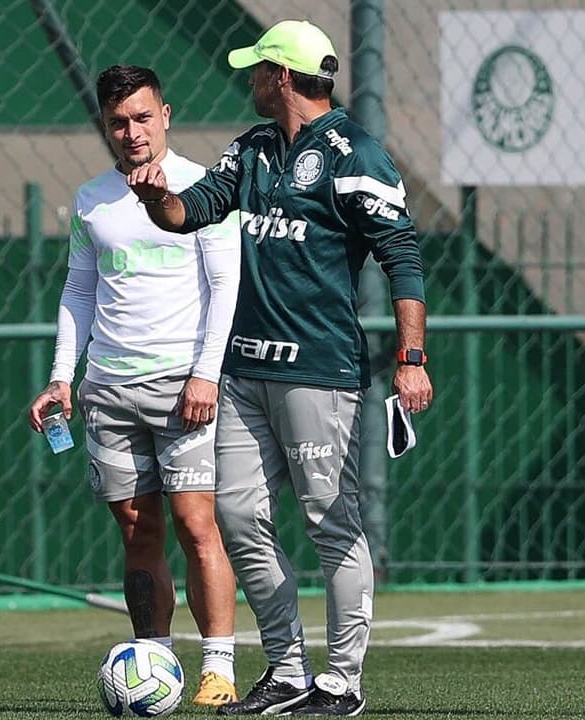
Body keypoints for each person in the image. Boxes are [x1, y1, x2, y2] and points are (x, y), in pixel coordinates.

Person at [126, 19, 434, 717]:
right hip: (243, 372)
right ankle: (288, 669)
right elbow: (193, 210)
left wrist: (412, 356)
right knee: (236, 516)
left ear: (284, 77)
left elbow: (403, 258)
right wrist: (156, 200)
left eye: (258, 70)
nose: (251, 81)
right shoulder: (253, 150)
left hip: (319, 372)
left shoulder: (359, 154)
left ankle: (344, 682)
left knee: (330, 518)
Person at [26, 64, 241, 708]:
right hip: (108, 391)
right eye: (119, 121)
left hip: (184, 386)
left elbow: (225, 286)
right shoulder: (93, 199)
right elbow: (80, 288)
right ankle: (153, 659)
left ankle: (219, 668)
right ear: (105, 126)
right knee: (137, 530)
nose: (132, 131)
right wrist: (63, 376)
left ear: (166, 115)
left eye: (143, 117)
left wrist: (206, 374)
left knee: (196, 524)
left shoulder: (205, 189)